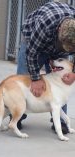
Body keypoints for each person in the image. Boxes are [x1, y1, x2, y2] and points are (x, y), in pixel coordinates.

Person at [17, 1, 75, 133]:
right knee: (24, 78)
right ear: (59, 29)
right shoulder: (45, 24)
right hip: (33, 41)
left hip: (54, 42)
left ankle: (60, 121)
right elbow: (31, 53)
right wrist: (36, 78)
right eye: (64, 45)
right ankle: (18, 115)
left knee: (62, 81)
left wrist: (73, 73)